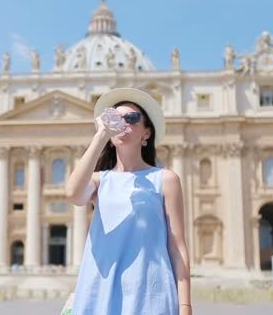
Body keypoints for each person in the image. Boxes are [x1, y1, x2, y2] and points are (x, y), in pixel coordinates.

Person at [66, 88, 191, 315]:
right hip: (100, 288)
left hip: (150, 291)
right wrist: (101, 135)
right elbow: (74, 194)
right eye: (116, 118)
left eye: (131, 118)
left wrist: (185, 305)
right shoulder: (99, 181)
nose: (123, 123)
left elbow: (177, 246)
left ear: (146, 133)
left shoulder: (166, 179)